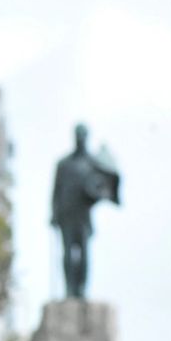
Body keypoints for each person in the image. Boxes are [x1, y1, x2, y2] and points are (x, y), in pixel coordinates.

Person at [51, 123, 121, 299]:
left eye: (83, 135)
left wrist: (100, 193)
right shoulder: (64, 164)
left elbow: (106, 183)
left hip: (83, 216)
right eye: (77, 135)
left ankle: (81, 289)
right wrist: (54, 213)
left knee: (84, 254)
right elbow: (56, 190)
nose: (80, 138)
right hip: (66, 214)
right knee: (67, 254)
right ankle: (69, 290)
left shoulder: (93, 163)